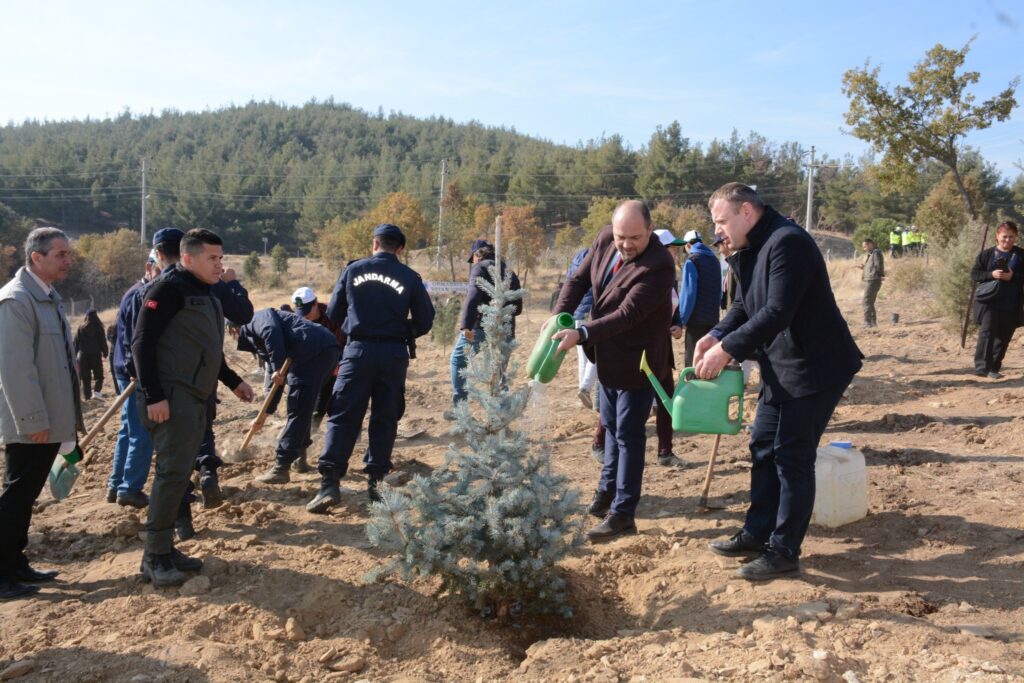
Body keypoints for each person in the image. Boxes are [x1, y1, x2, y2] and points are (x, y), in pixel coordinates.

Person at [695, 183, 862, 581]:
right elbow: (744, 304)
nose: (718, 231)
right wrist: (716, 334)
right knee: (763, 446)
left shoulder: (788, 243)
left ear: (747, 211)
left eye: (722, 221)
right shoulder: (753, 245)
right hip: (780, 364)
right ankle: (757, 533)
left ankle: (784, 550)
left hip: (814, 367)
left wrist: (728, 350)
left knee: (791, 455)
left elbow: (777, 311)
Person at [132, 228, 255, 586]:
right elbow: (142, 343)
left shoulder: (205, 291)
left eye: (221, 258)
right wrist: (154, 395)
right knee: (171, 477)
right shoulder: (168, 289)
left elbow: (207, 351)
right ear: (188, 258)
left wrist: (233, 382)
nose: (220, 265)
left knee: (179, 475)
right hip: (171, 398)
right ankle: (154, 557)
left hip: (194, 398)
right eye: (211, 259)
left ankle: (166, 549)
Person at [552, 200, 675, 541]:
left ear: (650, 230)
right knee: (609, 427)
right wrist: (558, 315)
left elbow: (628, 314)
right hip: (607, 357)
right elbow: (578, 281)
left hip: (640, 361)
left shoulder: (660, 265)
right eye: (622, 236)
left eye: (635, 237)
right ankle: (606, 493)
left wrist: (583, 333)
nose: (626, 244)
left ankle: (623, 513)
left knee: (628, 435)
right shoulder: (606, 239)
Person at [307, 223, 434, 513]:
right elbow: (425, 321)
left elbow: (335, 312)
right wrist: (402, 330)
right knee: (385, 417)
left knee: (343, 415)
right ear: (400, 249)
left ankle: (329, 484)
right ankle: (376, 485)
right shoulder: (410, 277)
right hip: (393, 353)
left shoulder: (353, 270)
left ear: (374, 244)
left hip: (357, 350)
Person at [0, 227, 82, 600]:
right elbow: (15, 370)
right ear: (37, 258)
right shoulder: (17, 301)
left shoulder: (48, 297)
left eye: (68, 254)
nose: (68, 260)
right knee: (17, 495)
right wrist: (32, 421)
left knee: (25, 495)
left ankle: (15, 565)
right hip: (30, 423)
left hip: (48, 419)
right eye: (61, 254)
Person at [242, 307, 341, 483]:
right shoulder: (270, 332)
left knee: (298, 408)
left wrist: (276, 366)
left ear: (233, 328)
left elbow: (271, 331)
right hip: (326, 348)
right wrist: (265, 414)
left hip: (312, 352)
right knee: (303, 406)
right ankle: (299, 458)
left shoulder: (255, 319)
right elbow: (278, 380)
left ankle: (281, 467)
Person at [446, 240, 522, 418]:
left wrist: (465, 325)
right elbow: (518, 308)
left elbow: (472, 297)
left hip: (480, 327)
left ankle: (460, 408)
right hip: (506, 329)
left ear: (476, 255)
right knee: (499, 371)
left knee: (458, 360)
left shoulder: (480, 268)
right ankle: (500, 415)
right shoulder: (510, 272)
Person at [107, 253, 157, 508]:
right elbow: (133, 339)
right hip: (132, 372)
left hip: (123, 368)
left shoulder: (135, 291)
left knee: (127, 429)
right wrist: (137, 371)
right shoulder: (142, 294)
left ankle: (116, 485)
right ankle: (130, 488)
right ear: (149, 267)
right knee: (141, 431)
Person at [971, 220, 1024, 380]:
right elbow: (975, 274)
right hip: (989, 301)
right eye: (1005, 236)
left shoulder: (1021, 255)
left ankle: (994, 367)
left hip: (1012, 302)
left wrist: (1013, 276)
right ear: (997, 236)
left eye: (1011, 237)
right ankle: (982, 368)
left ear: (1016, 237)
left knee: (1004, 336)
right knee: (987, 332)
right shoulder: (986, 254)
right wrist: (991, 275)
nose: (1008, 240)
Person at [293, 286, 347, 438]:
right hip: (314, 365)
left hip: (339, 361)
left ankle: (348, 435)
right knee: (318, 401)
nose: (305, 316)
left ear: (315, 303)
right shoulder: (297, 320)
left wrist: (340, 362)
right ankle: (309, 432)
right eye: (301, 312)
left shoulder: (334, 315)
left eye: (307, 311)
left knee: (342, 400)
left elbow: (346, 339)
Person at [677, 230, 722, 367]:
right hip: (713, 318)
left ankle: (693, 387)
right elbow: (719, 291)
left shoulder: (692, 260)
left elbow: (688, 293)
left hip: (695, 320)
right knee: (707, 359)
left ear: (688, 245)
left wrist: (683, 319)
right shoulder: (715, 260)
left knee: (693, 360)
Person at [567, 247, 597, 410]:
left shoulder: (578, 259)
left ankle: (582, 390)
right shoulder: (600, 258)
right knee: (597, 353)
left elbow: (571, 284)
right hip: (594, 313)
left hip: (578, 313)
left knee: (583, 356)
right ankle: (585, 388)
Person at [74, 309, 109, 400]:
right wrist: (105, 352)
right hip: (95, 355)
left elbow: (76, 343)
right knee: (99, 376)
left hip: (83, 356)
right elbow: (103, 342)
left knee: (86, 378)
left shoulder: (80, 328)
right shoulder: (99, 327)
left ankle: (87, 397)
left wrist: (74, 355)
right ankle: (96, 392)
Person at [858, 238, 885, 328]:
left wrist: (880, 275)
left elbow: (879, 265)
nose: (864, 249)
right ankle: (873, 323)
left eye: (865, 246)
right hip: (871, 279)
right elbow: (873, 266)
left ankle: (867, 322)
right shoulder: (871, 254)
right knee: (870, 302)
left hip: (873, 280)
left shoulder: (876, 253)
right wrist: (864, 267)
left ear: (870, 244)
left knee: (866, 301)